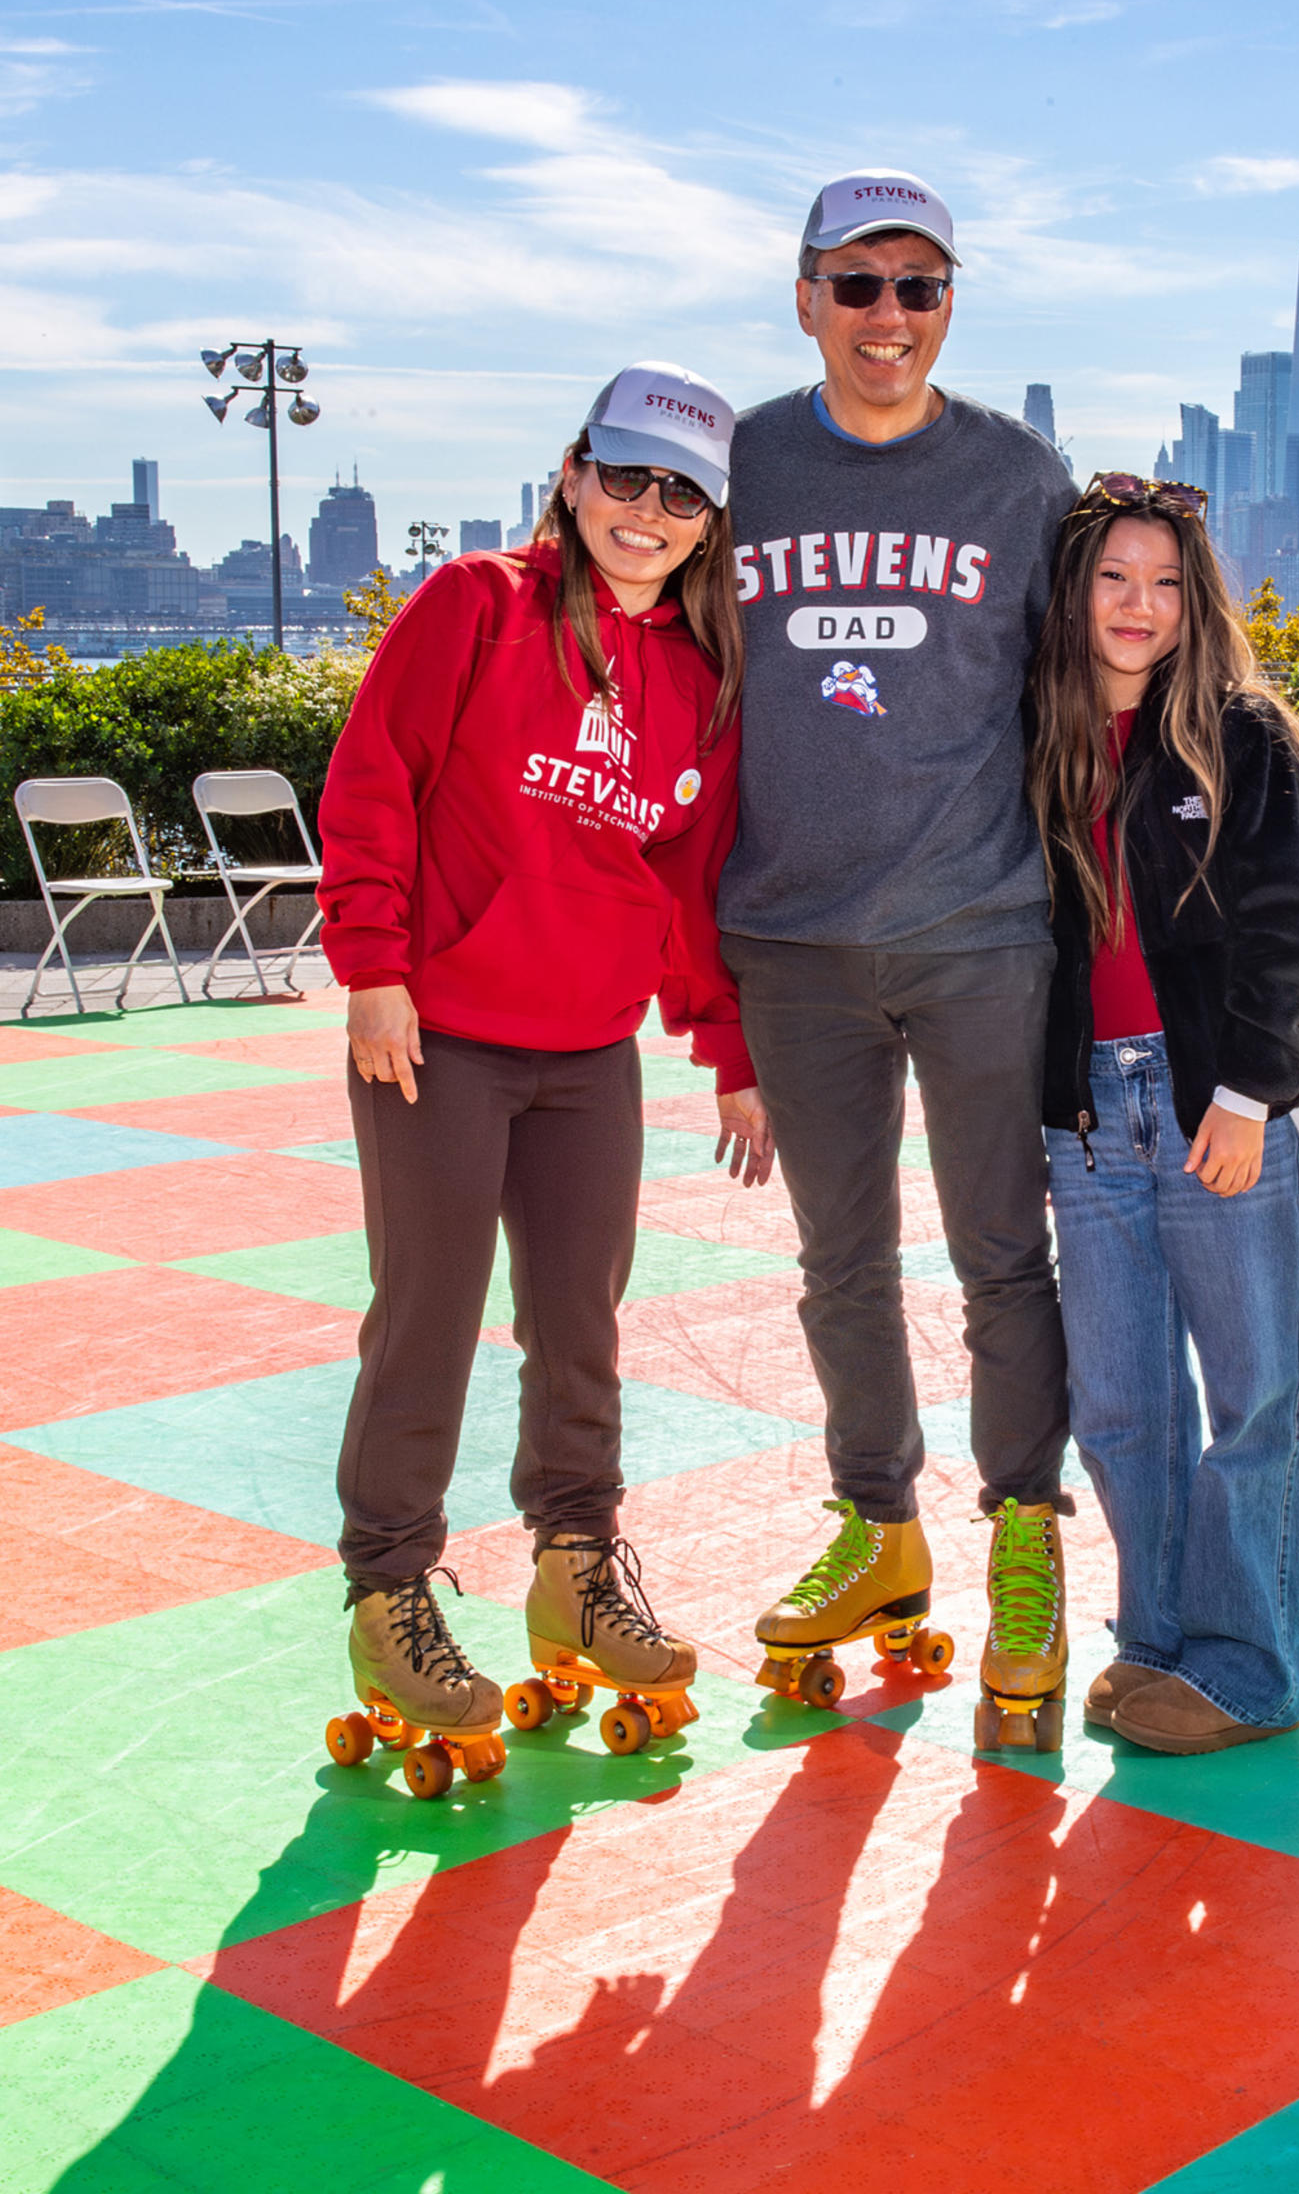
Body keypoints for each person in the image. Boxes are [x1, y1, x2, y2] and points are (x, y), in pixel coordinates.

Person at [316, 361, 774, 1772]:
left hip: (590, 1053)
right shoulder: (475, 606)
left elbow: (690, 888)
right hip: (439, 1039)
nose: (647, 512)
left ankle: (577, 1568)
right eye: (625, 478)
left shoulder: (698, 682)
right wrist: (375, 969)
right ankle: (391, 1591)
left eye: (680, 494)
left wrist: (728, 1051)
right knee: (430, 1317)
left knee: (582, 1325)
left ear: (709, 525)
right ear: (574, 478)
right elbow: (374, 776)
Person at [720, 169, 1078, 1748]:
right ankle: (882, 1526)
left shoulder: (1019, 477)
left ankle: (1021, 1534)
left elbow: (1086, 683)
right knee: (839, 1263)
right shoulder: (734, 464)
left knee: (1003, 1256)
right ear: (803, 297)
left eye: (918, 287)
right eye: (855, 285)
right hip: (789, 942)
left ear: (951, 307)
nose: (886, 316)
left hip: (981, 929)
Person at [1029, 474, 1299, 1755]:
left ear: (1194, 600)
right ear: (1077, 591)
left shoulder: (1240, 736)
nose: (1139, 605)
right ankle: (1158, 1641)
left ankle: (1250, 1670)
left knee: (1255, 1397)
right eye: (1115, 578)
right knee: (1119, 1400)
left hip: (1221, 1101)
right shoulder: (1039, 739)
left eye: (1165, 582)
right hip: (1090, 1117)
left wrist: (1246, 1094)